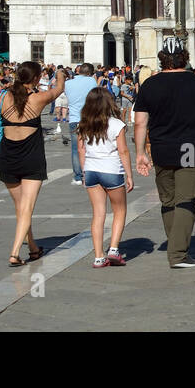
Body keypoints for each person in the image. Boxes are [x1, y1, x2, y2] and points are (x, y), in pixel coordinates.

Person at [133, 43, 195, 269]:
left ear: (162, 59)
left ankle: (176, 244)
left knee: (169, 200)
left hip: (161, 149)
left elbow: (140, 122)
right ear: (184, 58)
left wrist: (140, 153)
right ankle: (177, 254)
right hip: (189, 149)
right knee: (186, 199)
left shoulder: (150, 84)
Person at [0, 61, 66, 266]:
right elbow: (59, 89)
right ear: (36, 79)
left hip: (7, 157)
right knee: (26, 208)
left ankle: (33, 248)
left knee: (21, 208)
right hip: (31, 158)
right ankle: (15, 253)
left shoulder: (4, 97)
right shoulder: (38, 98)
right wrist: (60, 74)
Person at [76, 87, 134, 267]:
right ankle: (114, 249)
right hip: (112, 170)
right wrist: (129, 175)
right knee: (120, 210)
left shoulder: (83, 124)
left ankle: (99, 257)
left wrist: (84, 172)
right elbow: (123, 151)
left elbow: (81, 150)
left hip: (92, 170)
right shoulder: (116, 124)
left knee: (98, 213)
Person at [62, 63, 98, 186]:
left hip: (74, 118)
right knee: (91, 146)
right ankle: (91, 172)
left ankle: (78, 176)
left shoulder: (68, 83)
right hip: (89, 118)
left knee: (76, 149)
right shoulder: (92, 82)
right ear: (90, 73)